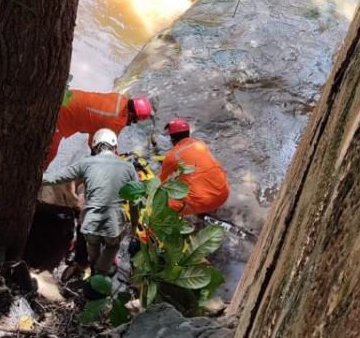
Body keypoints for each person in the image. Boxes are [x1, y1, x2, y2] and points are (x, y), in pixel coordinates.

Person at [42, 128, 138, 276]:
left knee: (92, 244)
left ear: (94, 146)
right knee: (112, 246)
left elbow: (56, 178)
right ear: (115, 147)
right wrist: (134, 225)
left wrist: (38, 176)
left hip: (89, 222)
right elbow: (135, 201)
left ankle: (93, 268)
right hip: (113, 224)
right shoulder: (129, 167)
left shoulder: (85, 163)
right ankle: (99, 274)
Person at [44, 89, 152, 167]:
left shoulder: (120, 98)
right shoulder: (116, 122)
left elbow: (96, 128)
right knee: (47, 153)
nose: (131, 123)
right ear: (132, 115)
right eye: (134, 120)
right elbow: (106, 149)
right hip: (62, 114)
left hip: (68, 96)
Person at [159, 118, 229, 216]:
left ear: (172, 138)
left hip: (203, 202)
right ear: (188, 133)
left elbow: (161, 183)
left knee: (161, 202)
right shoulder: (200, 144)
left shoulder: (172, 155)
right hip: (224, 193)